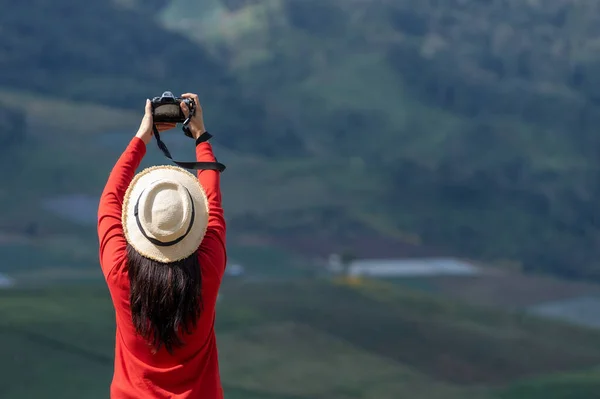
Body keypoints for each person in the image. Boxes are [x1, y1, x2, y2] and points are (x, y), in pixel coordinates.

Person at [97, 93, 226, 399]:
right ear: (192, 221)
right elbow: (214, 201)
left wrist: (143, 135)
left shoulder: (120, 273)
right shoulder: (208, 268)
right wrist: (200, 134)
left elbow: (109, 200)